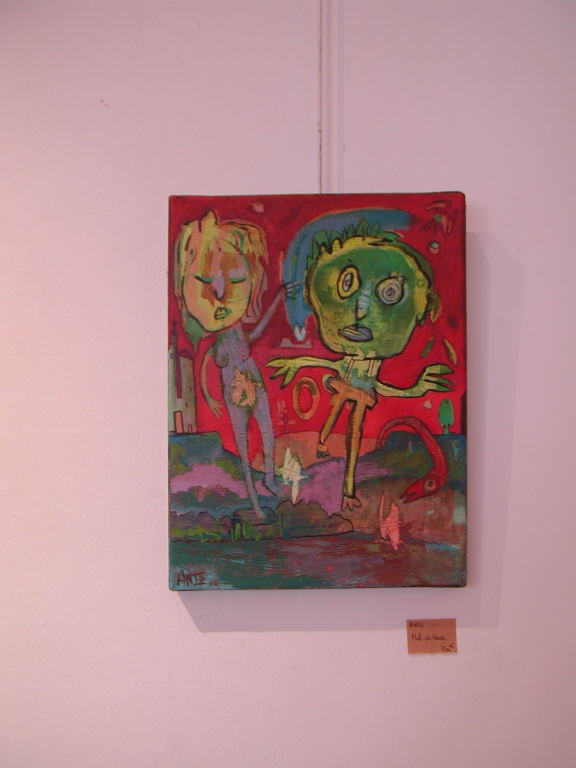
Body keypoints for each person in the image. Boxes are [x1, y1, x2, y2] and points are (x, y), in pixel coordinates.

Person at [174, 210, 291, 521]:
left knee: (267, 431)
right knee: (242, 445)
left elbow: (258, 329)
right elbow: (204, 366)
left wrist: (277, 300)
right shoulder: (218, 341)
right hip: (234, 392)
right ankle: (255, 504)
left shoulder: (239, 334)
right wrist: (209, 396)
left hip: (253, 382)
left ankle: (269, 477)